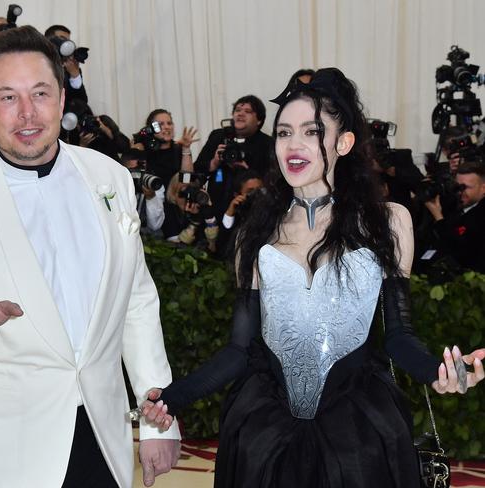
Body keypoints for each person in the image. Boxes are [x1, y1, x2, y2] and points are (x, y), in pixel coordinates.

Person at [139, 68, 485, 487]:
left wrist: (441, 373)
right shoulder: (256, 230)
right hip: (266, 430)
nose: (294, 144)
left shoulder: (389, 222)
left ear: (344, 142)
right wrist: (173, 398)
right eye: (284, 132)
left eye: (311, 131)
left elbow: (398, 335)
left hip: (357, 431)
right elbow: (238, 349)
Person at [0, 26, 180, 488]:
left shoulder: (109, 177)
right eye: (7, 98)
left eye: (41, 93)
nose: (28, 113)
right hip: (3, 456)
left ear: (62, 100)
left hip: (101, 441)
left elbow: (137, 303)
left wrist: (156, 419)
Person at [194, 95, 273, 221]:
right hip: (216, 208)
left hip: (250, 211)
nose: (240, 114)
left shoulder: (268, 144)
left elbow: (271, 181)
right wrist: (213, 164)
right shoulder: (218, 136)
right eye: (237, 110)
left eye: (247, 111)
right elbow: (197, 169)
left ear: (259, 120)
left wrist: (248, 171)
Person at [423, 160, 485, 273]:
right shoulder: (453, 205)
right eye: (457, 187)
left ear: (483, 188)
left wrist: (438, 217)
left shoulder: (480, 215)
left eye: (465, 187)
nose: (460, 192)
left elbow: (461, 250)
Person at [135, 108, 198, 189]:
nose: (167, 127)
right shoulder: (142, 149)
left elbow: (187, 180)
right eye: (161, 124)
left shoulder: (179, 149)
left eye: (169, 123)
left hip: (173, 198)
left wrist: (186, 148)